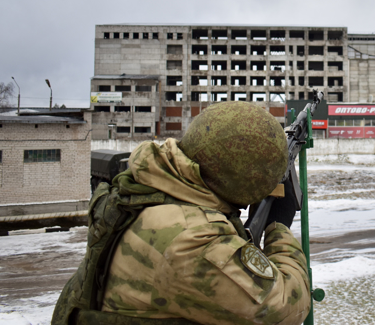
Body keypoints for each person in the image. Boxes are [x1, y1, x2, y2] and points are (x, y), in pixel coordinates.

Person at [53, 102, 311, 325]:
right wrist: (278, 226)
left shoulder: (154, 184)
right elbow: (285, 308)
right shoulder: (192, 238)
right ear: (246, 182)